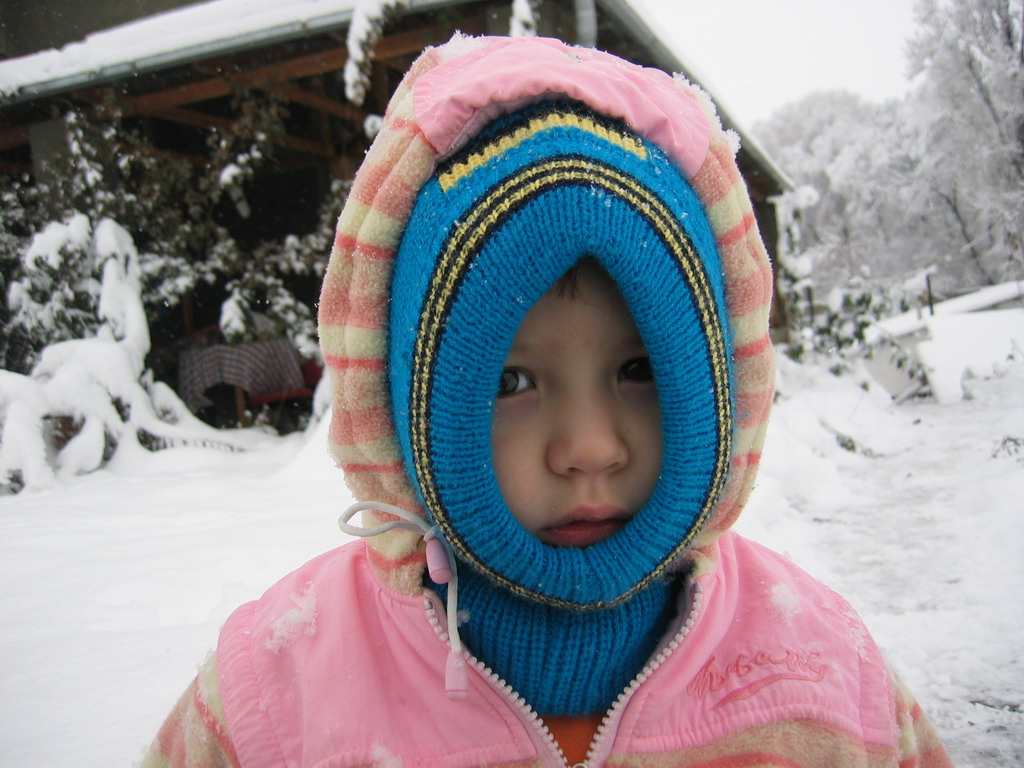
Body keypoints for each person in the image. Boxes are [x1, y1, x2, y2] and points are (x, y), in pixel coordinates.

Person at [142, 35, 953, 767]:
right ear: (407, 412)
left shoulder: (824, 686)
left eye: (639, 369)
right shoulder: (276, 707)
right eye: (511, 382)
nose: (591, 448)